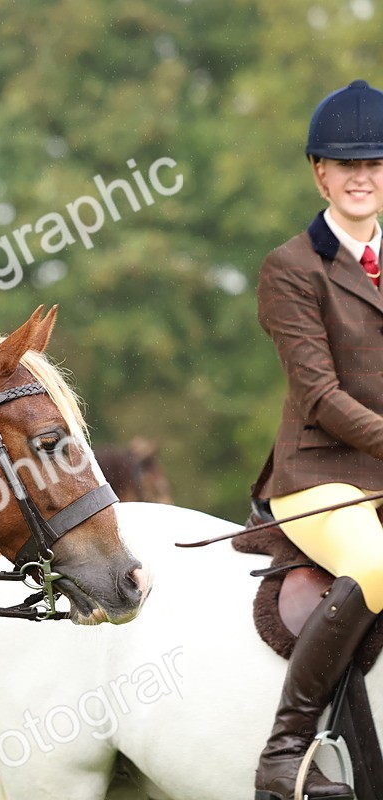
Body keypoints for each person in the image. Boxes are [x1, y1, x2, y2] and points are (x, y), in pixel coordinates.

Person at [254, 79, 383, 800]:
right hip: (319, 478)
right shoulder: (291, 268)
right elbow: (321, 396)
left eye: (375, 164)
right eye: (347, 164)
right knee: (376, 562)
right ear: (320, 172)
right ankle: (286, 749)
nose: (363, 177)